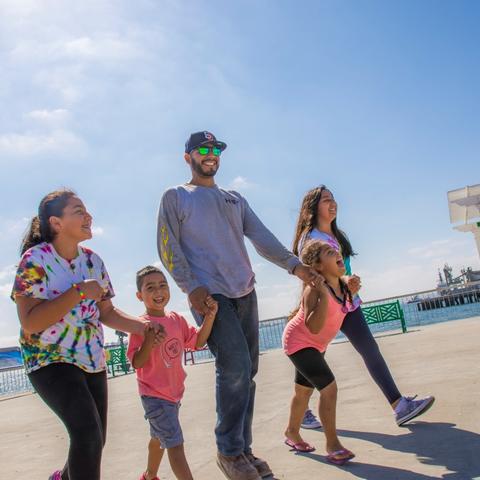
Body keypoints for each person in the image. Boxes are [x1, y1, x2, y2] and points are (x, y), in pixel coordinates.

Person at [157, 131, 317, 480]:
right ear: (188, 157)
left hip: (245, 291)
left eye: (216, 149)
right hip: (210, 296)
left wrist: (296, 266)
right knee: (235, 368)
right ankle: (228, 452)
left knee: (248, 374)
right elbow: (167, 246)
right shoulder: (176, 196)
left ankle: (243, 450)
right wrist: (191, 286)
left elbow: (261, 238)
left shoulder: (234, 199)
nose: (211, 154)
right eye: (203, 149)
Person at [11, 190, 164, 480]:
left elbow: (107, 312)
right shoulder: (35, 260)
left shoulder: (93, 262)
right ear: (56, 223)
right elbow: (30, 322)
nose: (88, 216)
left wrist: (144, 327)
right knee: (88, 434)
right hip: (48, 358)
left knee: (94, 441)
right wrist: (78, 291)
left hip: (92, 359)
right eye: (79, 210)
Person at [294, 185, 434, 428]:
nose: (333, 203)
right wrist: (342, 282)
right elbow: (312, 276)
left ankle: (398, 405)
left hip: (348, 305)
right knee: (314, 358)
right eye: (326, 200)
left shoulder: (336, 236)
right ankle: (301, 411)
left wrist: (348, 282)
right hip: (325, 306)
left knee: (370, 350)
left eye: (334, 199)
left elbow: (339, 270)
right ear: (313, 207)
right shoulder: (311, 239)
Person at [127, 265, 217, 480]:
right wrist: (148, 340)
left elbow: (197, 342)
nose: (158, 292)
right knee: (175, 446)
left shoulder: (176, 319)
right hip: (154, 395)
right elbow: (137, 362)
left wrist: (210, 317)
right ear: (140, 296)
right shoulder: (140, 326)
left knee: (158, 438)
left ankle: (149, 475)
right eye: (151, 288)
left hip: (174, 393)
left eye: (162, 285)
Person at [283, 240, 356, 465]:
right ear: (317, 266)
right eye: (329, 252)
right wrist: (323, 295)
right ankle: (332, 444)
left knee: (303, 393)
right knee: (329, 389)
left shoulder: (343, 285)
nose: (337, 254)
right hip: (299, 342)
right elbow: (313, 327)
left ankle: (291, 433)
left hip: (317, 346)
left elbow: (344, 307)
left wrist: (352, 286)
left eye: (336, 251)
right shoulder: (313, 291)